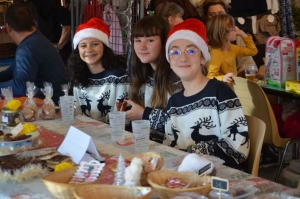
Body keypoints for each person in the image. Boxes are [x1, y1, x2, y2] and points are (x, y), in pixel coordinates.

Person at [147, 18, 249, 170]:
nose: (183, 58)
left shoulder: (220, 93)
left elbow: (238, 148)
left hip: (219, 179)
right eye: (175, 52)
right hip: (183, 178)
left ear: (203, 58)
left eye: (191, 50)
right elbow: (169, 145)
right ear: (169, 61)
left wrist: (190, 155)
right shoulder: (173, 102)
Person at [1, 3, 66, 105]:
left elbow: (21, 86)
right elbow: (12, 70)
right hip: (58, 102)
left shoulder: (27, 47)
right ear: (33, 23)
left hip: (51, 108)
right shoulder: (37, 39)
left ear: (8, 27)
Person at [68, 18, 130, 122]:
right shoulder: (77, 75)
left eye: (95, 44)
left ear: (104, 47)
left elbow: (122, 118)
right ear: (78, 50)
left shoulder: (119, 76)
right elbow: (76, 112)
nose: (89, 49)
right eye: (83, 46)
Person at [125, 16, 182, 122]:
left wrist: (144, 114)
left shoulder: (177, 76)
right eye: (138, 40)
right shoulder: (140, 72)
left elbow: (181, 123)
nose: (142, 47)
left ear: (165, 42)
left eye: (150, 40)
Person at [199, 0, 257, 78]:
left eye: (221, 14)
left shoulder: (233, 41)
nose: (218, 18)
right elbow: (210, 76)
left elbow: (249, 58)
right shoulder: (203, 40)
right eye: (212, 15)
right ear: (205, 17)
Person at [206, 14, 257, 83]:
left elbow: (253, 51)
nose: (236, 31)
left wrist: (243, 34)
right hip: (223, 90)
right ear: (223, 33)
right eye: (232, 29)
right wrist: (223, 78)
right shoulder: (216, 52)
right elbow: (210, 77)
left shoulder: (231, 48)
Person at [22, 0, 71, 65]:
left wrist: (58, 47)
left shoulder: (42, 3)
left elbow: (67, 18)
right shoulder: (24, 5)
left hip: (58, 57)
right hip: (43, 56)